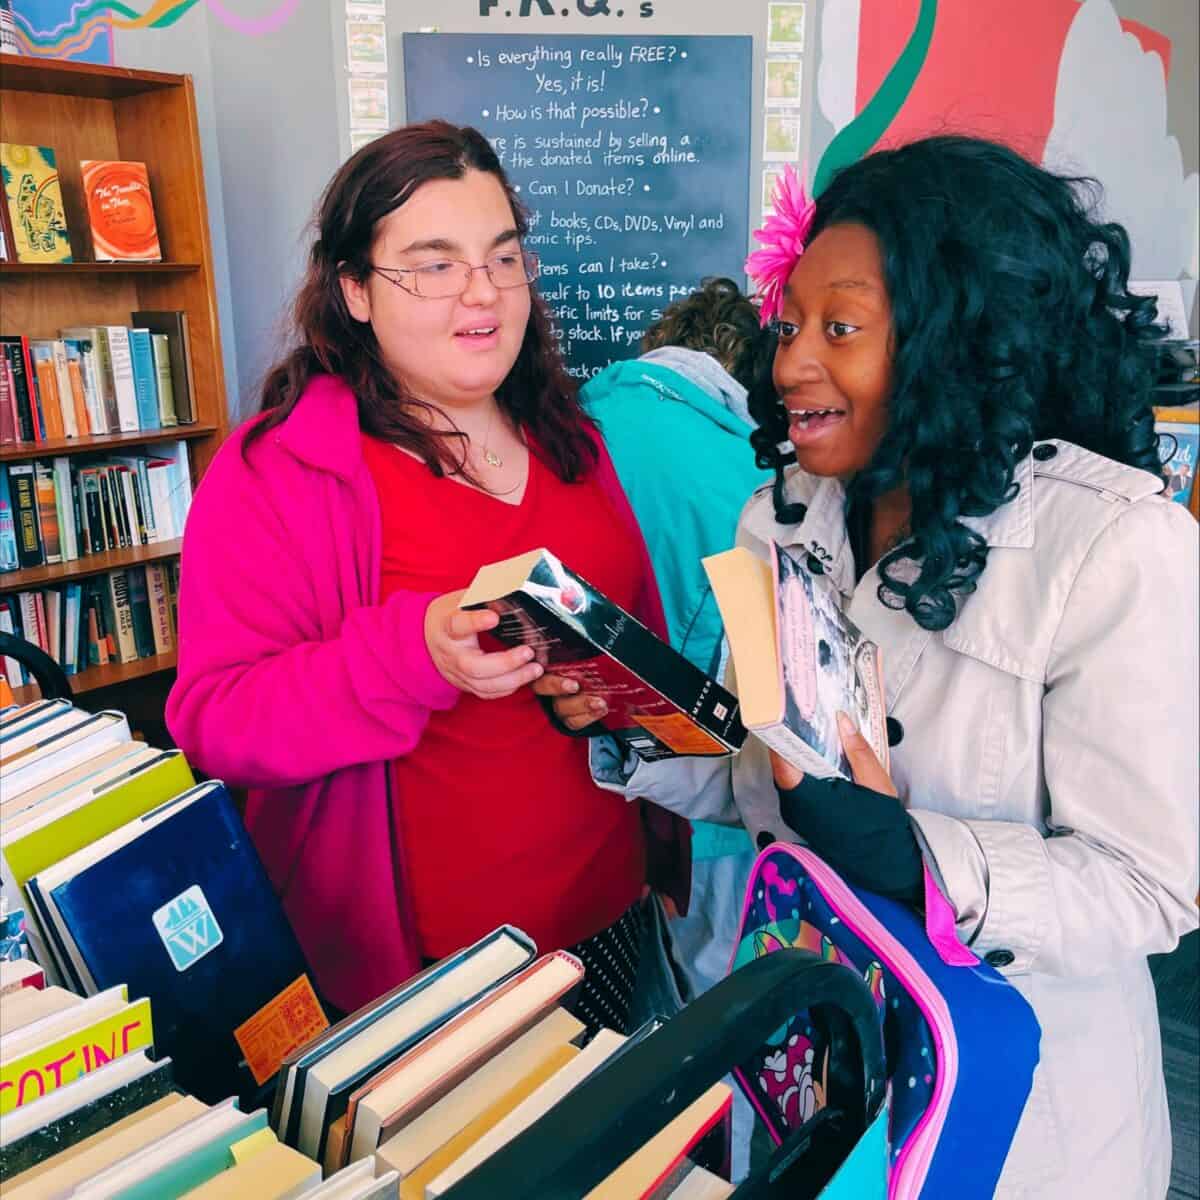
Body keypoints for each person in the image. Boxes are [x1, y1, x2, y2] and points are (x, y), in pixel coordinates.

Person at [541, 136, 1199, 1196]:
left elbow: (1148, 886)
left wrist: (915, 857)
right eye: (789, 325)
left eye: (840, 329)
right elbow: (764, 777)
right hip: (813, 1062)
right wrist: (633, 722)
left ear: (956, 340)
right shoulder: (778, 521)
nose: (790, 364)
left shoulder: (1115, 548)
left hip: (1015, 1109)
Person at [165, 121, 689, 1033]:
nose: (482, 292)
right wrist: (416, 654)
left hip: (608, 913)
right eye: (434, 265)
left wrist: (619, 702)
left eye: (503, 257)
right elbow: (215, 721)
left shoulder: (573, 443)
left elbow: (635, 638)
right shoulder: (277, 473)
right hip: (429, 978)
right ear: (355, 290)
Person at [579, 277, 772, 1002]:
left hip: (581, 764)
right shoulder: (757, 478)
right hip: (706, 799)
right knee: (718, 1000)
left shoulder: (571, 421)